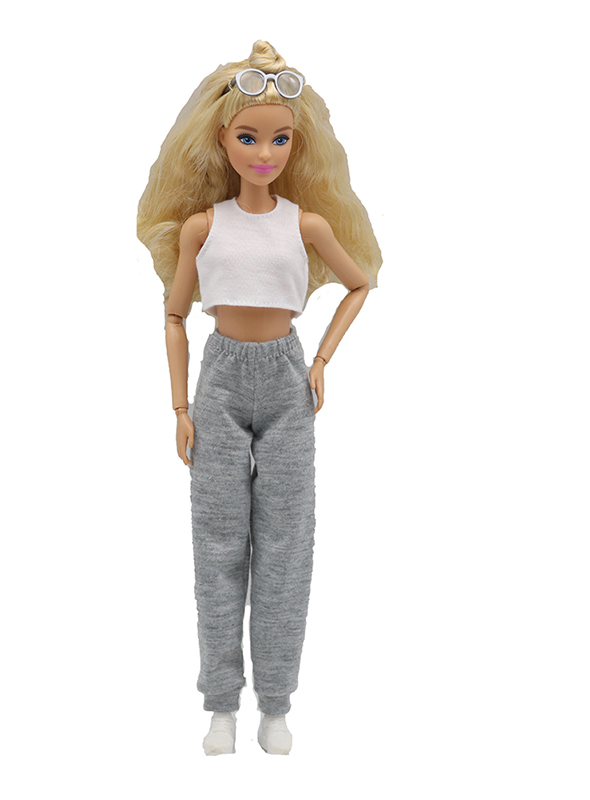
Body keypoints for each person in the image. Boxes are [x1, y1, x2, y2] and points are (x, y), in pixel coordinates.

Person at [137, 40, 382, 755]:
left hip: (285, 380)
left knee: (286, 545)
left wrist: (323, 359)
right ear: (221, 140)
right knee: (216, 544)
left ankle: (276, 703)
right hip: (217, 382)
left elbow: (360, 282)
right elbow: (175, 316)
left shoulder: (305, 223)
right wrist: (180, 407)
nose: (265, 153)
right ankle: (221, 706)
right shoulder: (202, 226)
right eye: (248, 137)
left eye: (280, 139)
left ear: (297, 144)